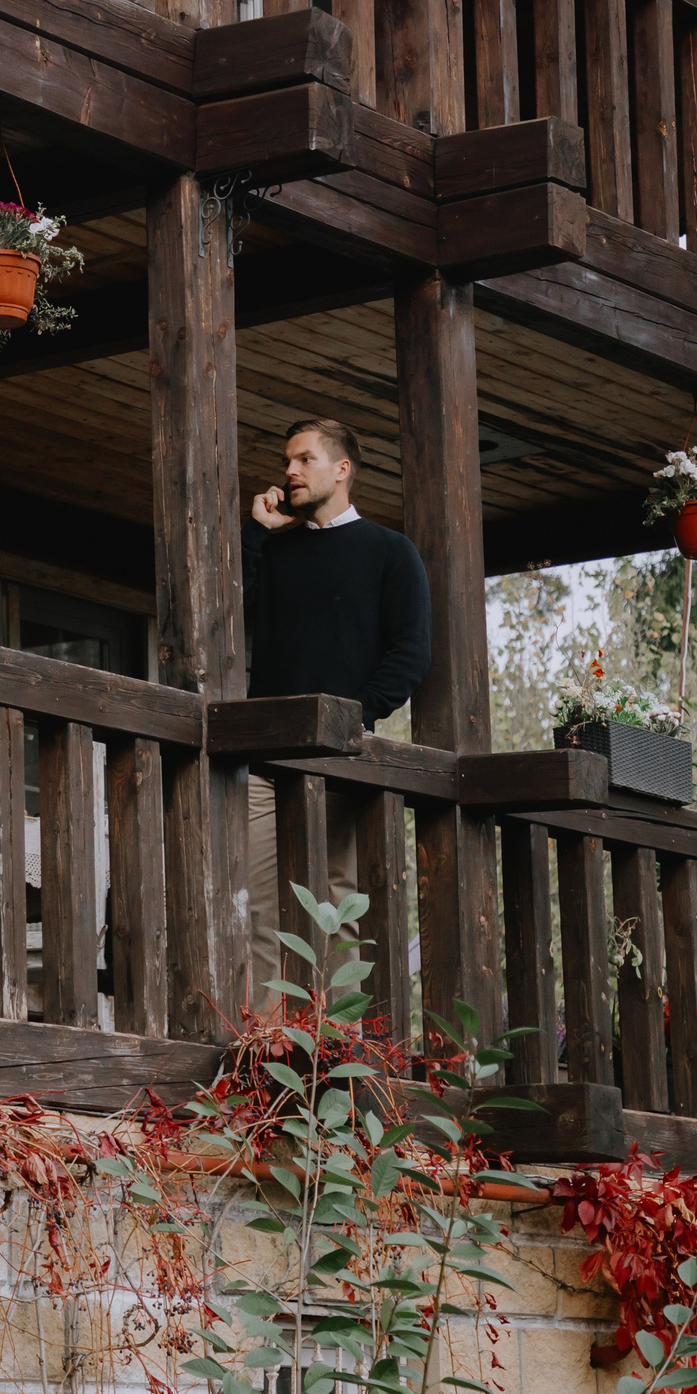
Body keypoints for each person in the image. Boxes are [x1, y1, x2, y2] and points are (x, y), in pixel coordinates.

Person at [240, 417, 431, 999]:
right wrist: (258, 535)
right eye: (287, 462)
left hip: (345, 754)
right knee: (258, 908)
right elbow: (235, 616)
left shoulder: (390, 552)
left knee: (337, 905)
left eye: (304, 460)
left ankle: (337, 1052)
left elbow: (410, 652)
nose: (290, 472)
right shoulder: (276, 551)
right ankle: (263, 1051)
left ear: (342, 468)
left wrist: (356, 714)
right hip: (265, 759)